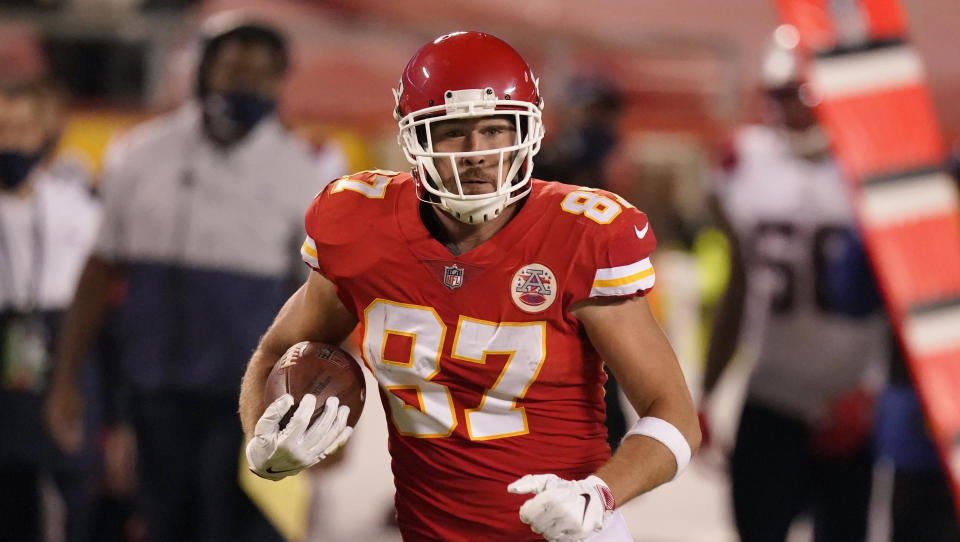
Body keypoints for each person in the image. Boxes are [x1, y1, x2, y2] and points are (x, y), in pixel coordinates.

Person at [238, 31, 701, 542]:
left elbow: (676, 415)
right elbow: (280, 350)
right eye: (453, 131)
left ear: (528, 131)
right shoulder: (360, 225)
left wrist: (599, 492)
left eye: (496, 129)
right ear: (416, 138)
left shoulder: (581, 234)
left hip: (569, 533)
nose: (477, 152)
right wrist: (266, 437)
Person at [44, 15, 343, 542]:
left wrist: (322, 403)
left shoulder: (304, 170)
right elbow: (100, 269)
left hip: (256, 391)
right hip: (155, 386)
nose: (245, 84)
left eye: (261, 73)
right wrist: (68, 377)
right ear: (202, 70)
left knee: (248, 529)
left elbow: (323, 300)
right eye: (232, 69)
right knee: (164, 524)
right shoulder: (140, 153)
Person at [700, 25, 888, 542]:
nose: (785, 108)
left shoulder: (873, 162)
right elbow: (739, 290)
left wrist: (876, 392)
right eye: (776, 94)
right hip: (772, 392)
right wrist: (705, 393)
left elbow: (905, 299)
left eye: (797, 94)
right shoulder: (745, 161)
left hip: (851, 397)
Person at [0, 76, 101, 541]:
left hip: (60, 345)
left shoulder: (75, 207)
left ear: (45, 134)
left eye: (22, 129)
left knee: (73, 492)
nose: (11, 142)